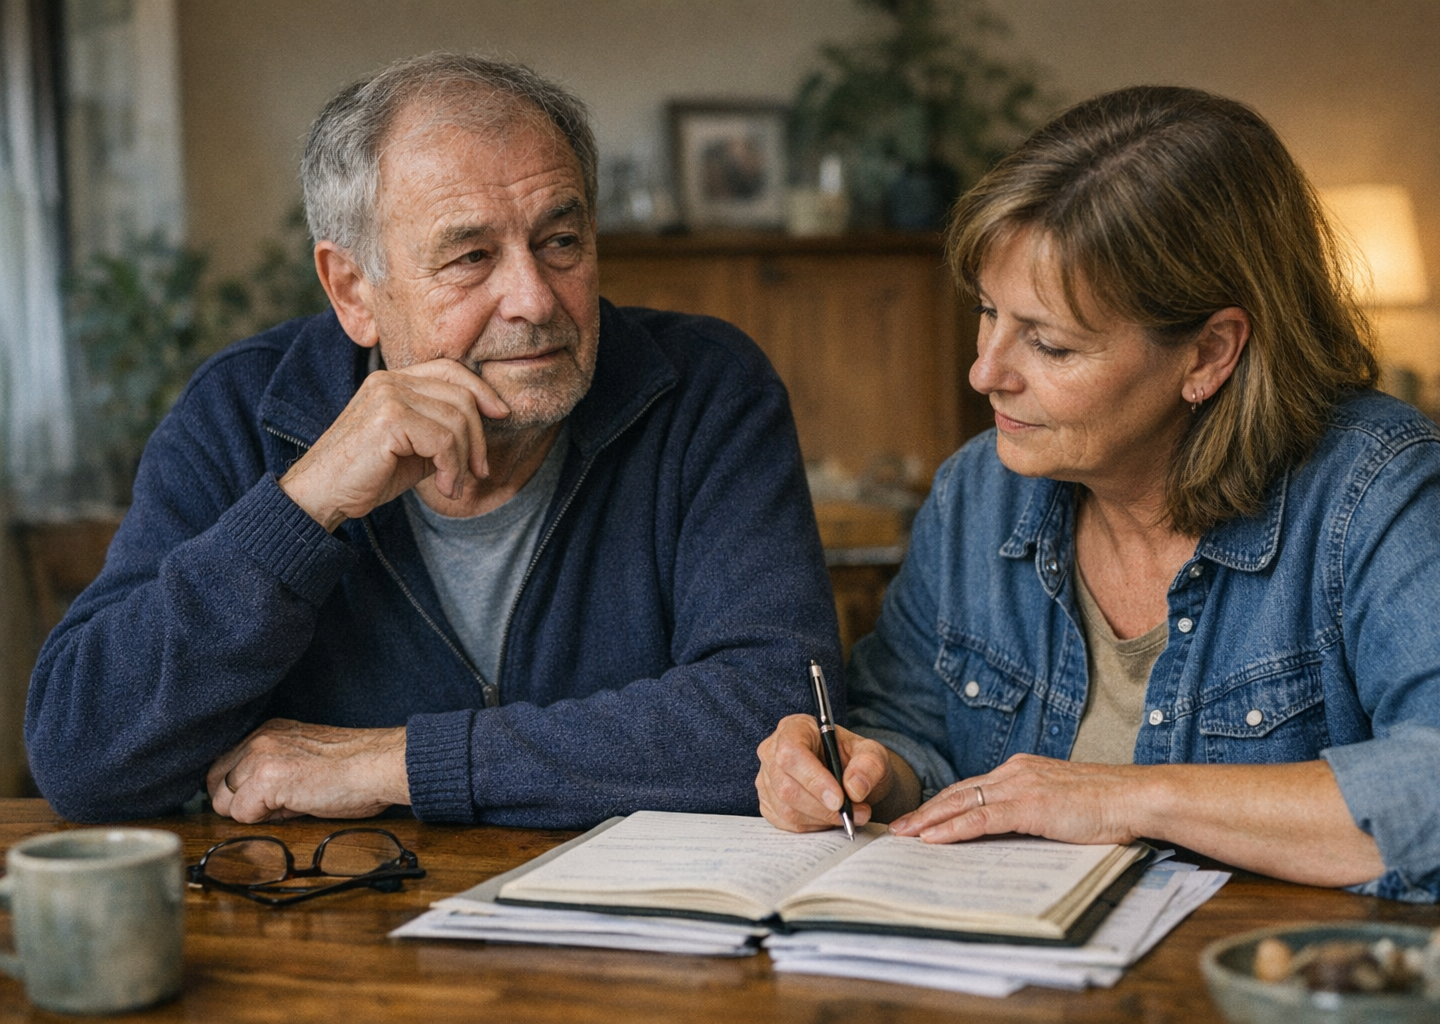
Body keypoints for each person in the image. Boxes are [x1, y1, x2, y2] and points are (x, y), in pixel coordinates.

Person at [756, 85, 1440, 901]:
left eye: (1051, 346)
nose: (986, 372)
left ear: (1209, 353)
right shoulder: (976, 494)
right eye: (989, 313)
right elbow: (909, 728)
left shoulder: (1370, 487)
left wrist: (1128, 797)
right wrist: (865, 768)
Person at [27, 53, 841, 827]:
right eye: (470, 257)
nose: (532, 298)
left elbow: (775, 718)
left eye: (560, 242)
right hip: (345, 936)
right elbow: (81, 757)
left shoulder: (705, 388)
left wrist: (396, 764)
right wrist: (301, 507)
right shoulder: (241, 412)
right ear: (353, 290)